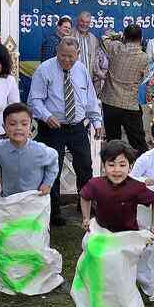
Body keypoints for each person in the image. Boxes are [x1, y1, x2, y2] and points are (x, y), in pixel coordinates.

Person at [28, 36, 104, 226]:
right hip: (53, 128)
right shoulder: (44, 69)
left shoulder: (81, 69)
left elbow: (90, 98)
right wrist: (46, 116)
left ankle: (84, 204)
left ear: (77, 54)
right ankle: (53, 211)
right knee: (52, 169)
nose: (67, 60)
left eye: (71, 57)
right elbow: (34, 100)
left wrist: (97, 122)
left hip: (78, 127)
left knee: (85, 166)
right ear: (57, 52)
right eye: (63, 56)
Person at [80, 140, 154, 234]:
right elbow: (84, 196)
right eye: (111, 165)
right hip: (102, 234)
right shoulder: (95, 184)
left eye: (122, 165)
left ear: (130, 167)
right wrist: (86, 218)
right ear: (103, 166)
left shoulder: (136, 187)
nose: (116, 170)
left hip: (128, 236)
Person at [0, 103, 59, 197]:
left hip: (34, 199)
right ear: (4, 127)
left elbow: (53, 159)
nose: (18, 128)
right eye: (12, 124)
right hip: (8, 199)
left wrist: (47, 183)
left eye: (24, 124)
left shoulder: (39, 150)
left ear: (30, 128)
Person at [100, 24, 149, 156]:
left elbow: (104, 37)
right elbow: (143, 77)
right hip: (130, 105)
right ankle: (143, 172)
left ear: (125, 37)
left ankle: (114, 171)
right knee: (138, 143)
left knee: (113, 142)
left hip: (110, 102)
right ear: (141, 38)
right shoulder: (144, 57)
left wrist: (118, 36)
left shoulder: (115, 48)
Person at [70, 11, 107, 95]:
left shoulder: (93, 39)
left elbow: (96, 62)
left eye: (87, 22)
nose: (84, 24)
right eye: (82, 21)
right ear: (77, 21)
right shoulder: (69, 35)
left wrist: (101, 75)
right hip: (71, 78)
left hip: (87, 80)